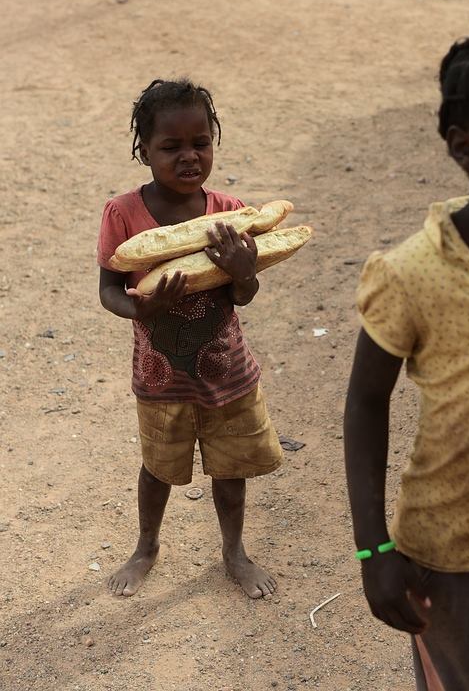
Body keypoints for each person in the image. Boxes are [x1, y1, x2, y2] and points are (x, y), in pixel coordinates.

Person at [344, 24, 469, 690]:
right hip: (444, 554)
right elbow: (366, 403)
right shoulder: (411, 273)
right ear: (464, 147)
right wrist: (374, 549)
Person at [97, 78, 283, 599]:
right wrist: (141, 306)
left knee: (230, 468)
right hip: (160, 375)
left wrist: (245, 272)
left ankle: (234, 552)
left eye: (200, 143)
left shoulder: (229, 213)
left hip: (226, 369)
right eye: (170, 146)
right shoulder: (124, 215)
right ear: (144, 150)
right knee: (158, 467)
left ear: (213, 140)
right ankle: (146, 547)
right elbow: (108, 289)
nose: (188, 157)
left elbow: (241, 297)